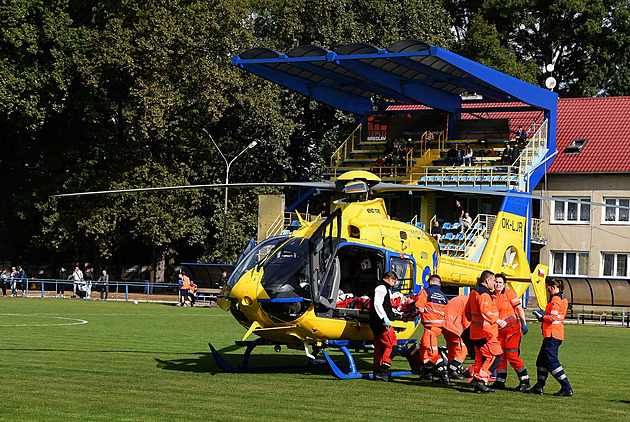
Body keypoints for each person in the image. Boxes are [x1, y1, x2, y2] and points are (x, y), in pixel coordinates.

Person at [525, 278, 573, 396]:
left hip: (552, 334)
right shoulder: (562, 297)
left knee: (551, 361)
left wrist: (542, 317)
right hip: (554, 334)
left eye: (548, 288)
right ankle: (539, 386)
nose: (548, 290)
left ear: (554, 288)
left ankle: (566, 387)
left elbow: (552, 317)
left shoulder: (556, 299)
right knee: (541, 361)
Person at [464, 270, 507, 393]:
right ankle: (480, 380)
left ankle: (478, 383)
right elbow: (485, 311)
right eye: (493, 281)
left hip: (475, 332)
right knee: (495, 355)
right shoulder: (484, 294)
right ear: (487, 280)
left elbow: (467, 311)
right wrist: (498, 321)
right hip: (485, 332)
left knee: (480, 358)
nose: (494, 284)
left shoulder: (474, 292)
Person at [492, 273, 530, 391]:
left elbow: (519, 308)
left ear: (504, 284)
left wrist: (523, 323)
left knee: (512, 356)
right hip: (498, 331)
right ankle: (500, 381)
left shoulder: (509, 293)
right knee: (500, 356)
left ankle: (525, 380)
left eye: (500, 282)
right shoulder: (491, 296)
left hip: (512, 330)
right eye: (496, 282)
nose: (497, 284)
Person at [411, 274, 450, 384]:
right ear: (439, 284)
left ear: (430, 282)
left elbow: (419, 308)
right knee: (424, 350)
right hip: (438, 328)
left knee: (432, 352)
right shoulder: (444, 297)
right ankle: (427, 374)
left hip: (430, 328)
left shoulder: (425, 292)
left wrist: (412, 305)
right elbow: (445, 314)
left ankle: (444, 375)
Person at [369, 270, 398, 381]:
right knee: (392, 346)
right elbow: (377, 303)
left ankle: (376, 371)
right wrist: (384, 317)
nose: (394, 285)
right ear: (390, 279)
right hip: (380, 323)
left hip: (374, 322)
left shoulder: (378, 287)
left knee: (380, 348)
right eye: (394, 282)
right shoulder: (381, 287)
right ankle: (382, 370)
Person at [442, 294, 470, 380]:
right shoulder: (468, 301)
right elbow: (466, 320)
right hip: (453, 325)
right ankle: (452, 369)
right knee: (462, 348)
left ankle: (450, 367)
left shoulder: (461, 298)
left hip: (444, 324)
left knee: (452, 347)